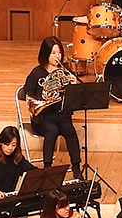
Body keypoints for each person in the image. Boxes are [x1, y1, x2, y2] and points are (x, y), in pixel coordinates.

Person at [24, 36, 82, 174]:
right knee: (52, 130)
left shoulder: (65, 71)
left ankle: (76, 167)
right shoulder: (36, 73)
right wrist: (43, 99)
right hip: (43, 117)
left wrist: (75, 85)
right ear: (46, 54)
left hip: (61, 114)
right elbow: (28, 94)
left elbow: (78, 94)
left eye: (59, 52)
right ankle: (47, 168)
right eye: (53, 53)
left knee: (69, 130)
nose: (58, 56)